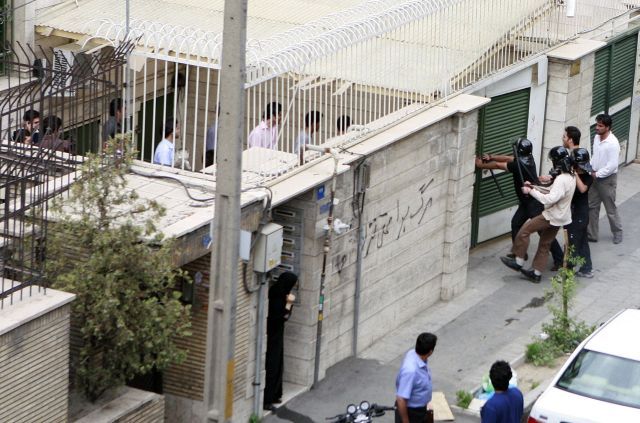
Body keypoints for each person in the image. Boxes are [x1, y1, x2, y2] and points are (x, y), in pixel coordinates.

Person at [475, 138, 563, 270]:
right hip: (526, 202)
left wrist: (481, 165)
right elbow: (510, 158)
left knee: (543, 232)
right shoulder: (528, 158)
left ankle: (559, 259)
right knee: (516, 223)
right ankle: (519, 252)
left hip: (533, 203)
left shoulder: (519, 165)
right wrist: (492, 156)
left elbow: (500, 165)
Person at [501, 146, 576, 283]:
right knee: (545, 244)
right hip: (561, 217)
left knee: (524, 231)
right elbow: (550, 190)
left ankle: (518, 261)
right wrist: (534, 187)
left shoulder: (561, 180)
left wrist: (529, 192)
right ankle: (536, 273)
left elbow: (548, 198)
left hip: (552, 216)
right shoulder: (571, 177)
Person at [263, 271, 297, 411]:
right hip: (272, 337)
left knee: (278, 366)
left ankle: (275, 394)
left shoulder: (279, 293)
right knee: (272, 367)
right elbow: (280, 318)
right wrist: (289, 304)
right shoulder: (276, 297)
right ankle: (267, 400)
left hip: (277, 337)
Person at [588, 113, 622, 244]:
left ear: (607, 128)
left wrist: (598, 174)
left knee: (610, 208)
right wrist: (591, 168)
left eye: (600, 126)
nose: (597, 127)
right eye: (597, 124)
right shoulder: (597, 138)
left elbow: (612, 165)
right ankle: (592, 234)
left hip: (607, 180)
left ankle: (618, 232)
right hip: (595, 176)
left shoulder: (613, 144)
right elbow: (595, 156)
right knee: (592, 206)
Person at [395, 332, 437, 423]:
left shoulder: (413, 353)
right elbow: (401, 399)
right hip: (412, 413)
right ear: (430, 352)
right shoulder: (411, 371)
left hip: (420, 410)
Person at [569, 148, 594, 278]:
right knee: (582, 242)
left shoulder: (588, 178)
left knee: (573, 243)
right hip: (574, 213)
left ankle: (568, 272)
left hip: (580, 215)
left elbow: (582, 189)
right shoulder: (570, 174)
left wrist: (575, 173)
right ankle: (587, 269)